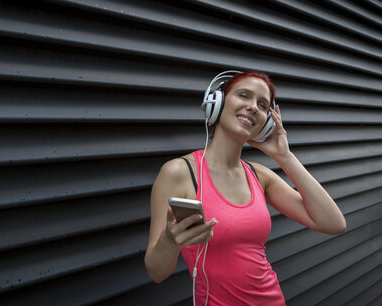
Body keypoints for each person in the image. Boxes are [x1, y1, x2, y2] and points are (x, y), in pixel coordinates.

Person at [144, 70, 346, 306]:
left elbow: (333, 223)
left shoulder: (259, 176)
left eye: (262, 105)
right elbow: (156, 273)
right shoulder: (179, 172)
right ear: (216, 102)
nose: (253, 107)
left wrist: (285, 156)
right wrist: (170, 240)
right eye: (243, 96)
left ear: (267, 123)